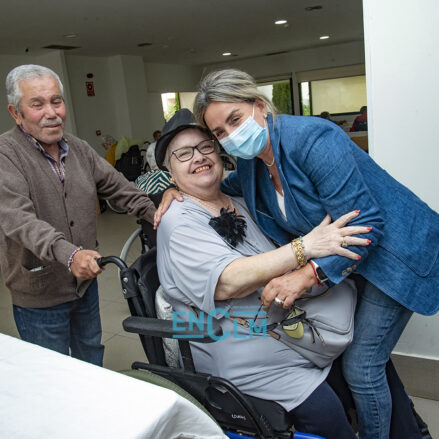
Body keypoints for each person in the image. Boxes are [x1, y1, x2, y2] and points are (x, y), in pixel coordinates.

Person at [156, 69, 438, 439]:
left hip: (391, 254)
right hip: (247, 331)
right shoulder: (250, 166)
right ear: (168, 168)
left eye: (234, 121)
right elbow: (213, 195)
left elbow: (366, 221)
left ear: (259, 106)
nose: (228, 137)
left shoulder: (312, 139)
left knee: (364, 367)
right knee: (366, 363)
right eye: (220, 133)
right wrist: (170, 192)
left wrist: (307, 272)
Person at [155, 109, 372, 439]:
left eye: (205, 147)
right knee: (327, 409)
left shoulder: (238, 200)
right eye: (183, 154)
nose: (198, 158)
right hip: (228, 337)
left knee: (356, 360)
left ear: (220, 153)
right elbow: (228, 281)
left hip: (271, 322)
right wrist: (306, 247)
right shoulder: (178, 221)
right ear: (170, 172)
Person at [0, 64, 156, 366]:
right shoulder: (6, 155)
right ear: (15, 112)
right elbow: (19, 220)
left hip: (85, 284)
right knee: (53, 372)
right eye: (37, 104)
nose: (51, 112)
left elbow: (120, 189)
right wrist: (70, 255)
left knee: (90, 355)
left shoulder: (79, 149)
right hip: (40, 293)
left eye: (56, 101)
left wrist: (159, 213)